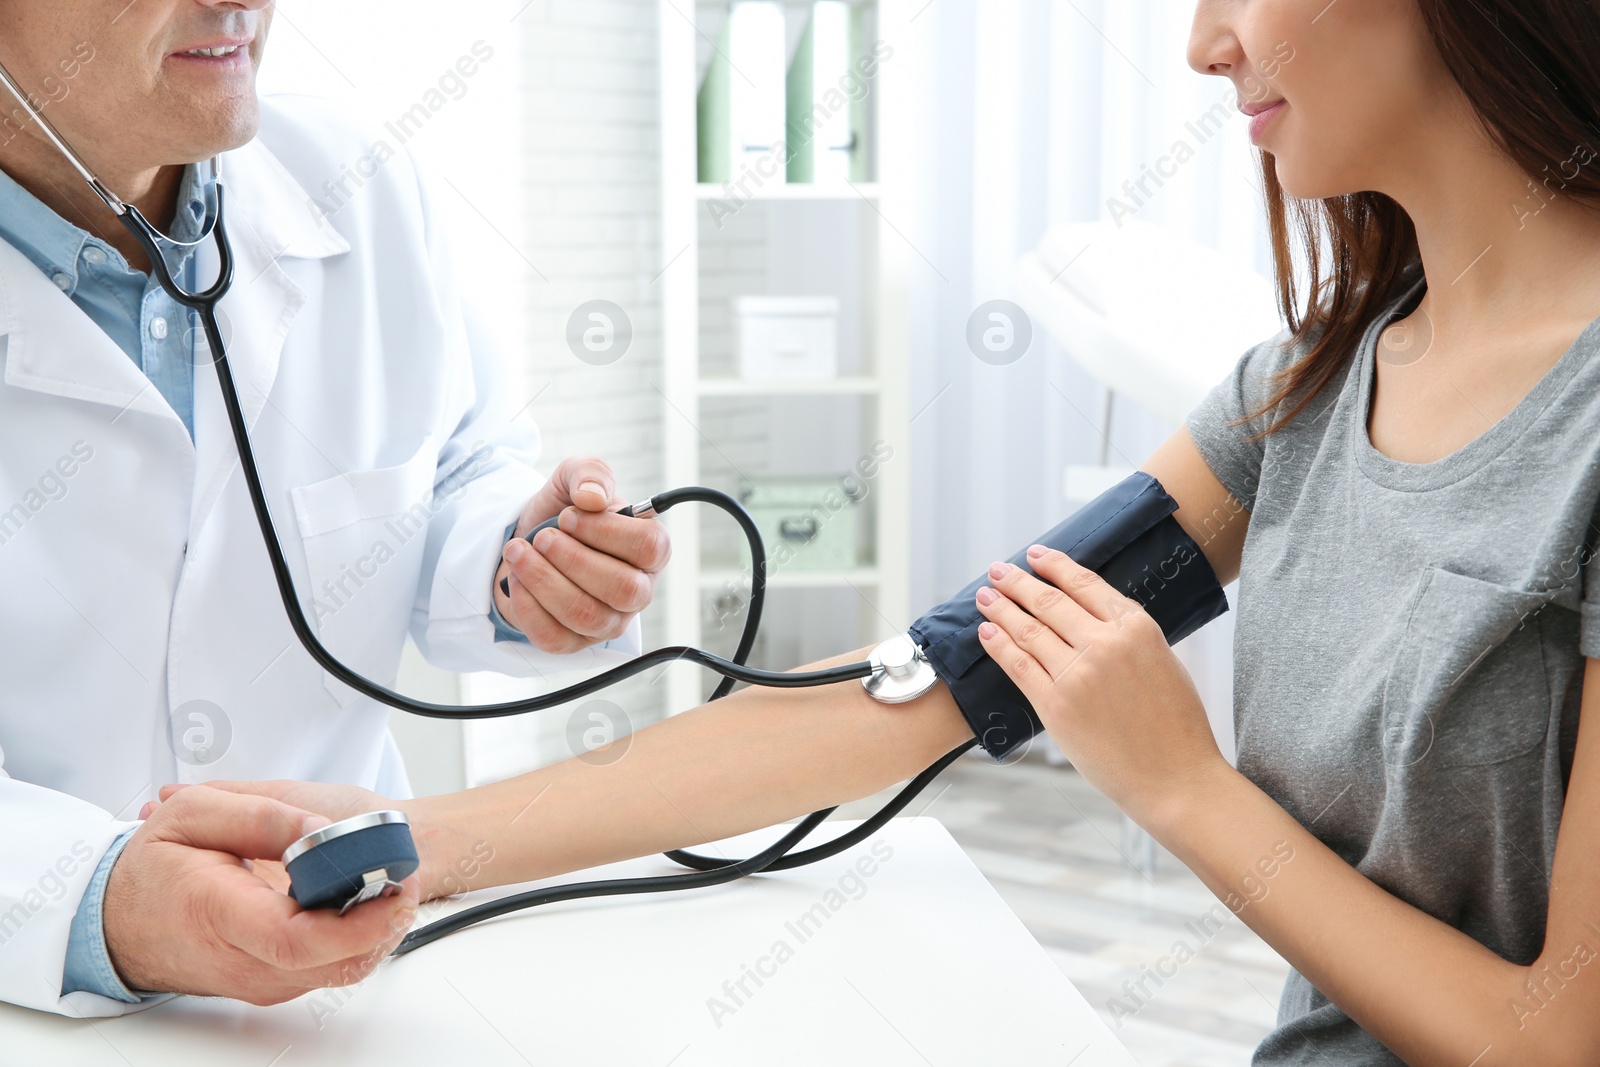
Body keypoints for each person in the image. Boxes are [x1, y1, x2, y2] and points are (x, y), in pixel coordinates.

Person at [183, 0, 1600, 1063]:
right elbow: (911, 686)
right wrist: (415, 835)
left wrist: (1182, 785)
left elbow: (1549, 1035)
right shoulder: (1304, 389)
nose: (1204, 45)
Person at [0, 0, 669, 1016]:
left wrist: (517, 566)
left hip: (359, 992)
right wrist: (95, 903)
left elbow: (456, 465)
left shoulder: (354, 180)